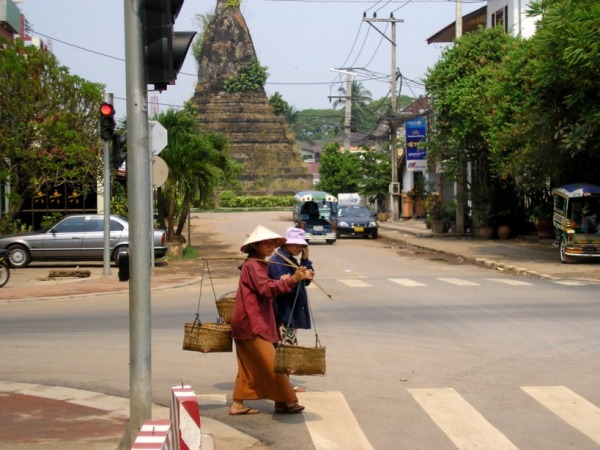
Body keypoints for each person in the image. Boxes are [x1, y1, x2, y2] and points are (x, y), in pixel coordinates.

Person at [229, 225, 314, 416]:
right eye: (265, 243)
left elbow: (268, 286)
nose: (270, 247)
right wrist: (291, 280)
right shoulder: (253, 265)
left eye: (272, 243)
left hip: (251, 321)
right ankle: (288, 401)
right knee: (272, 363)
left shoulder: (259, 264)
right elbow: (266, 289)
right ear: (256, 245)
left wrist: (289, 280)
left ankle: (238, 403)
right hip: (251, 322)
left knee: (249, 364)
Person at [268, 227, 314, 393]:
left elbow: (305, 281)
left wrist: (306, 260)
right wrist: (297, 278)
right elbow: (283, 287)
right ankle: (284, 385)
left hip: (292, 310)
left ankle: (282, 383)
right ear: (286, 243)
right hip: (283, 312)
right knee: (285, 348)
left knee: (286, 346)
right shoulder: (278, 261)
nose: (298, 248)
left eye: (301, 245)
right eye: (295, 244)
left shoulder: (292, 261)